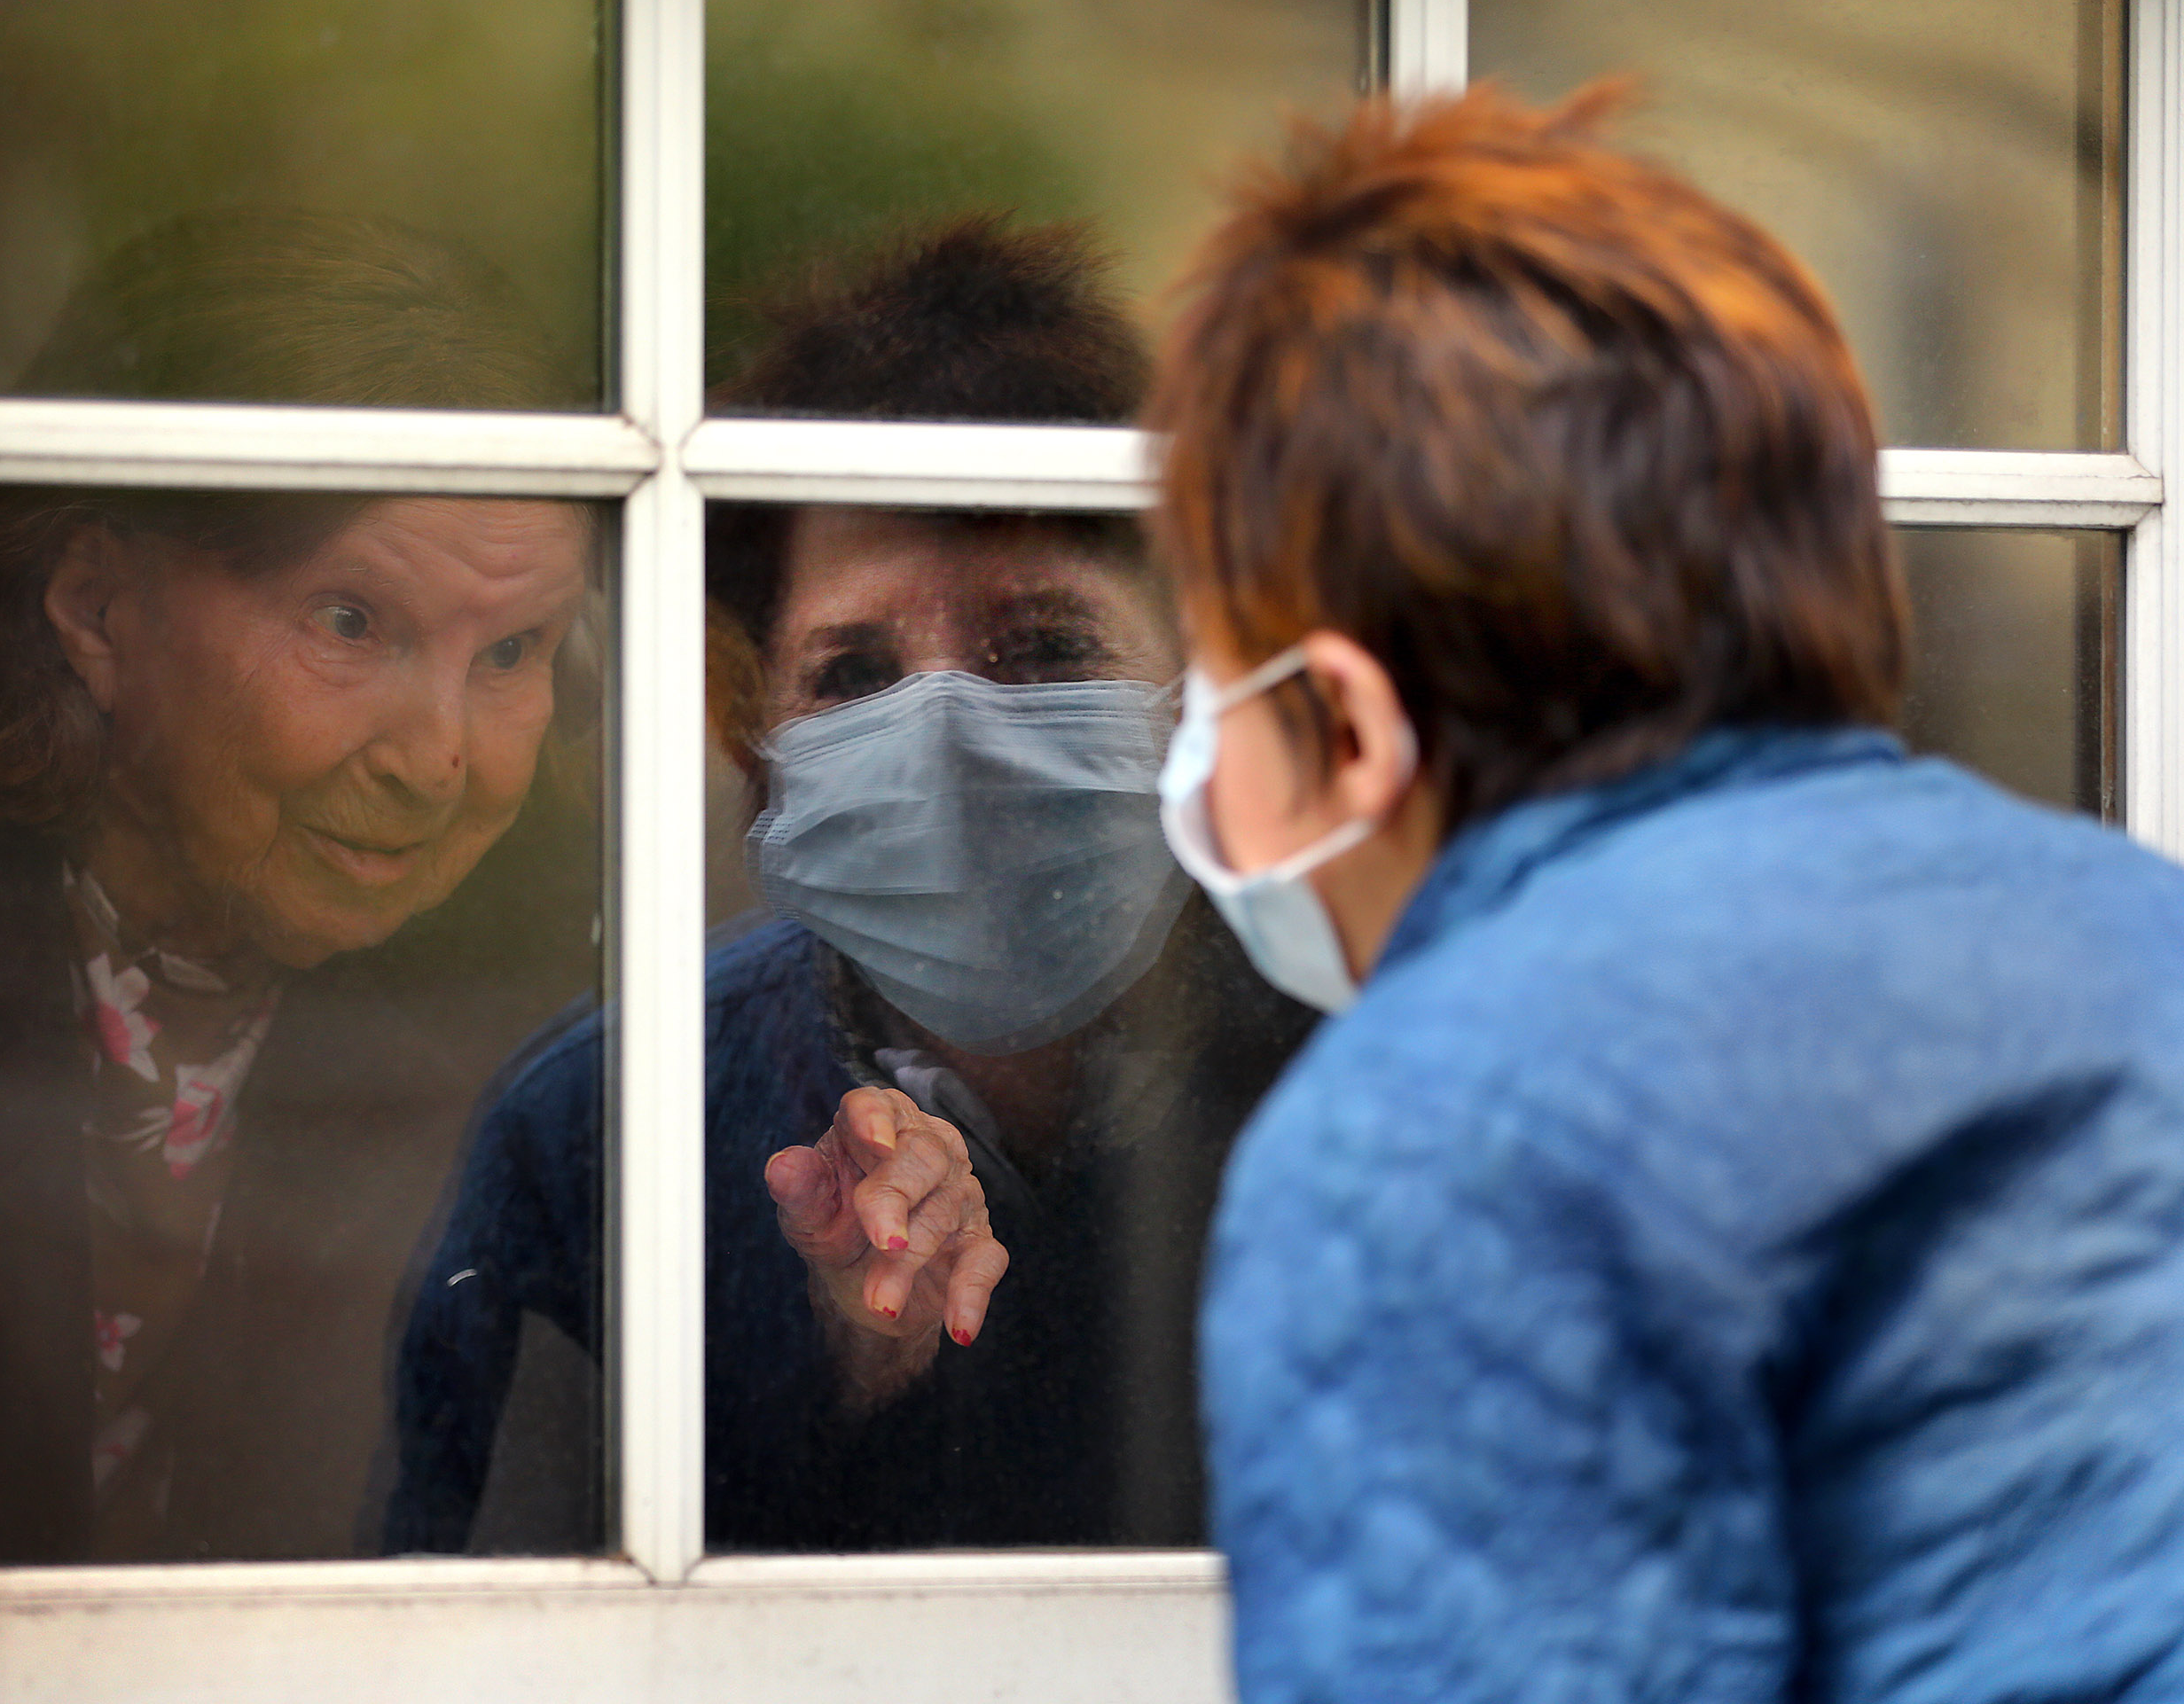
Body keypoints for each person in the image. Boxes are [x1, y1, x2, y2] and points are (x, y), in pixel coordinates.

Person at [1147, 84, 2184, 1701]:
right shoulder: (2147, 934)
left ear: (1349, 729)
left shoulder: (1439, 1124)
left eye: (1209, 690)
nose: (1196, 777)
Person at [370, 215, 1319, 1555]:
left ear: (1197, 679)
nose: (952, 738)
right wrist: (848, 1387)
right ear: (755, 738)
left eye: (1046, 645)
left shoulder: (1368, 1075)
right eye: (855, 674)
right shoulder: (600, 1129)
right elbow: (480, 1639)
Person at [0, 209, 599, 1563]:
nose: (440, 759)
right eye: (352, 623)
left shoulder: (565, 1022)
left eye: (512, 651)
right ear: (98, 609)